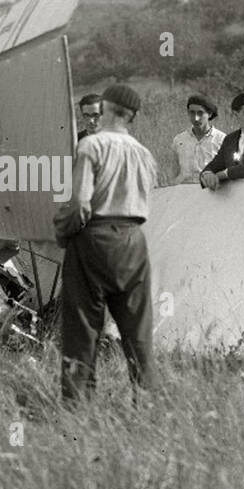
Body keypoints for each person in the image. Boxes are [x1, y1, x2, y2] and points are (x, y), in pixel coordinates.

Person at [54, 84, 158, 402]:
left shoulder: (90, 147)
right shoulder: (145, 154)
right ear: (133, 117)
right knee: (138, 331)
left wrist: (63, 232)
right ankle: (147, 401)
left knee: (82, 328)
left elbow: (78, 205)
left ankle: (77, 406)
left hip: (93, 238)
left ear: (106, 108)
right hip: (134, 241)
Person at [171, 93, 226, 183]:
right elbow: (174, 173)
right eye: (192, 113)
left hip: (209, 192)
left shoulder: (222, 140)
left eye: (200, 113)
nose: (196, 118)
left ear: (210, 114)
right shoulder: (179, 140)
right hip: (183, 192)